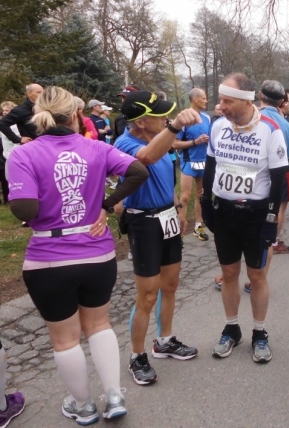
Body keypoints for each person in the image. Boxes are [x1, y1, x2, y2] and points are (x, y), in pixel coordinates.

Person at [7, 86, 149, 424]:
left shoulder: (24, 154)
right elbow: (138, 171)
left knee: (65, 338)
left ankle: (83, 406)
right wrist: (105, 204)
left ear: (37, 116)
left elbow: (25, 208)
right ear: (75, 115)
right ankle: (113, 396)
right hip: (96, 254)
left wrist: (36, 206)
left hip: (49, 257)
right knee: (99, 324)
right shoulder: (96, 147)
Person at [201, 72, 289, 363]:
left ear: (246, 101)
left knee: (256, 276)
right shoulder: (218, 126)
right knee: (228, 274)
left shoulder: (270, 129)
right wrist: (205, 202)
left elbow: (279, 178)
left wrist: (271, 219)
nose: (221, 106)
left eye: (227, 101)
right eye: (220, 99)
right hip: (224, 212)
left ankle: (260, 332)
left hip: (256, 215)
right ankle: (231, 328)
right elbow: (211, 167)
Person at [115, 91, 200, 385]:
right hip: (143, 222)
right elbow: (147, 157)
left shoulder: (161, 139)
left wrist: (179, 207)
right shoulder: (125, 143)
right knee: (147, 295)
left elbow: (166, 175)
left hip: (167, 217)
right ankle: (137, 356)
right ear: (140, 122)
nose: (165, 118)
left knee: (171, 285)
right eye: (159, 115)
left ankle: (164, 340)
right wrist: (175, 126)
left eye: (167, 115)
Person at [258, 81, 289, 255]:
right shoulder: (286, 124)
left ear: (260, 95)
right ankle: (273, 241)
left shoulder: (251, 117)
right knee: (279, 207)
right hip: (279, 170)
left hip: (255, 170)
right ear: (281, 102)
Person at [173, 88, 211, 241]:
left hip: (204, 162)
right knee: (185, 197)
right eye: (204, 98)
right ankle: (179, 231)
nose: (206, 101)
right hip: (189, 163)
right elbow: (174, 144)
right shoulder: (183, 118)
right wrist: (195, 142)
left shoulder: (207, 118)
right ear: (195, 99)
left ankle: (198, 226)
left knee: (200, 196)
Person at [1, 102, 20, 203]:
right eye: (3, 110)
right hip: (7, 156)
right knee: (8, 178)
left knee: (16, 179)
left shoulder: (16, 126)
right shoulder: (3, 125)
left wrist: (14, 155)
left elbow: (18, 142)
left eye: (7, 110)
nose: (4, 112)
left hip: (15, 156)